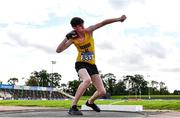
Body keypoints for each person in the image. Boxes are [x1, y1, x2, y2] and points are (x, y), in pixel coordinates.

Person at [56, 15, 127, 115]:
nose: (83, 27)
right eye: (80, 26)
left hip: (92, 65)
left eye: (83, 25)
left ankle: (90, 102)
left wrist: (118, 19)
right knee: (87, 80)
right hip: (81, 64)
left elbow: (103, 22)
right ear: (75, 28)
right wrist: (66, 38)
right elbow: (58, 50)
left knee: (102, 92)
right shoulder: (73, 39)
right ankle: (73, 107)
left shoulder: (89, 31)